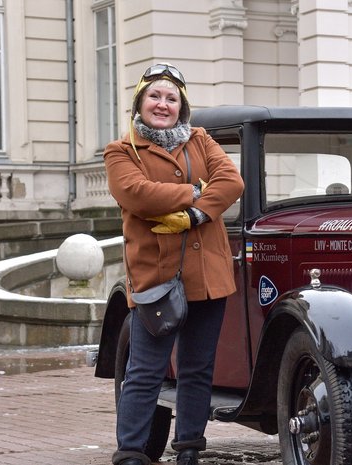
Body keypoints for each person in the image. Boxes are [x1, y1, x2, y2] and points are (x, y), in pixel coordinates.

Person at [104, 63, 244, 465]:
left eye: (171, 98)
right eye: (154, 96)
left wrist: (196, 214)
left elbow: (232, 182)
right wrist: (194, 191)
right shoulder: (121, 151)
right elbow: (137, 194)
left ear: (182, 106)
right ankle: (131, 452)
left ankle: (189, 448)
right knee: (145, 370)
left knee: (198, 368)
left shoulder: (200, 139)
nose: (162, 104)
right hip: (157, 277)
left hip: (209, 276)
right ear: (140, 102)